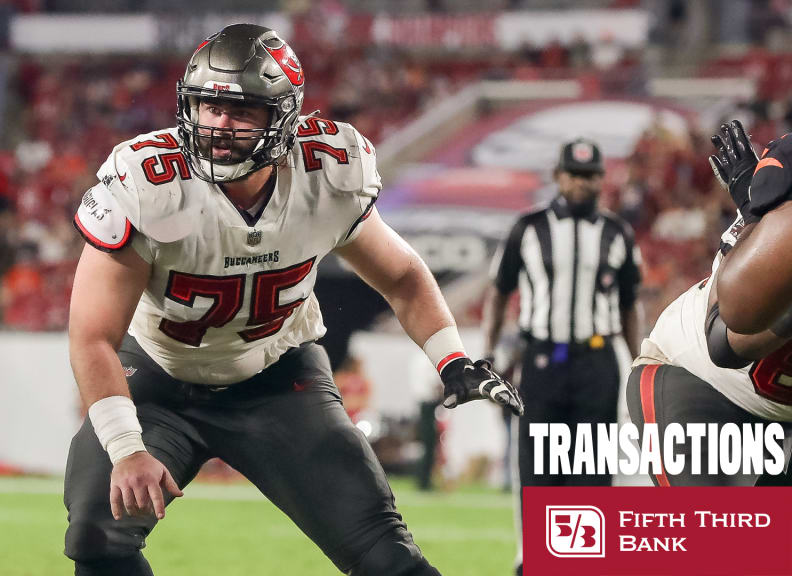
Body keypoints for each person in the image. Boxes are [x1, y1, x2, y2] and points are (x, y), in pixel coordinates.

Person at [64, 24, 522, 576]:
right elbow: (92, 335)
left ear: (284, 117)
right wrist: (127, 447)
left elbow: (402, 275)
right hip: (159, 381)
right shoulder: (149, 181)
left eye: (243, 112)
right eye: (208, 107)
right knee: (96, 536)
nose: (219, 126)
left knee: (385, 556)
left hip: (277, 379)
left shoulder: (326, 174)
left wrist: (451, 359)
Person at [483, 138, 642, 575]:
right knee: (536, 469)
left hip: (597, 362)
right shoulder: (528, 227)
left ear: (601, 180)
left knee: (593, 471)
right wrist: (489, 351)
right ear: (558, 175)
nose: (581, 182)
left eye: (590, 175)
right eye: (574, 173)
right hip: (540, 360)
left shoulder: (618, 233)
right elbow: (499, 292)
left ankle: (584, 562)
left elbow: (630, 305)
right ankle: (533, 558)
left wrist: (637, 365)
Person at [627, 120, 792, 487]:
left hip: (778, 409)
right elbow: (724, 344)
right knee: (712, 540)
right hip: (698, 379)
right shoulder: (783, 235)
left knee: (771, 546)